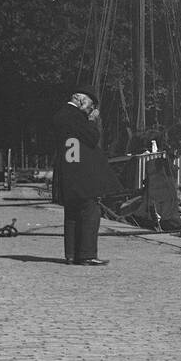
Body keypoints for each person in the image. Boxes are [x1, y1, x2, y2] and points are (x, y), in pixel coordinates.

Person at [52, 85, 120, 266]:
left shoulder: (61, 115)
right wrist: (91, 120)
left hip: (68, 171)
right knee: (91, 212)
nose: (91, 109)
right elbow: (92, 137)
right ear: (81, 99)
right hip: (82, 174)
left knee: (72, 214)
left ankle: (71, 254)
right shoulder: (76, 117)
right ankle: (87, 255)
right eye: (90, 104)